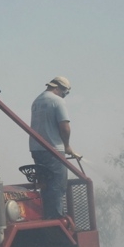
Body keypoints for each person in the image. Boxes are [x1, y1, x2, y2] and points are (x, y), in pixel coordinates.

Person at [29, 76, 81, 219]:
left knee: (45, 185)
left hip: (36, 150)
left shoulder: (37, 101)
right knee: (57, 187)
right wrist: (67, 146)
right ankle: (56, 220)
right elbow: (65, 128)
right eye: (65, 93)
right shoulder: (57, 101)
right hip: (53, 150)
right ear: (58, 88)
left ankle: (46, 217)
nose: (65, 96)